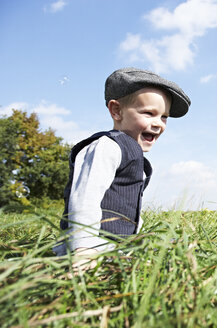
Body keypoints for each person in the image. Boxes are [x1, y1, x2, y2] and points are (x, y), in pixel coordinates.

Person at [54, 67, 191, 262]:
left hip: (114, 250)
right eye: (149, 113)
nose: (158, 123)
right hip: (90, 248)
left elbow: (129, 208)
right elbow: (85, 197)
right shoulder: (107, 147)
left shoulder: (133, 153)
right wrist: (83, 248)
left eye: (164, 117)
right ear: (117, 111)